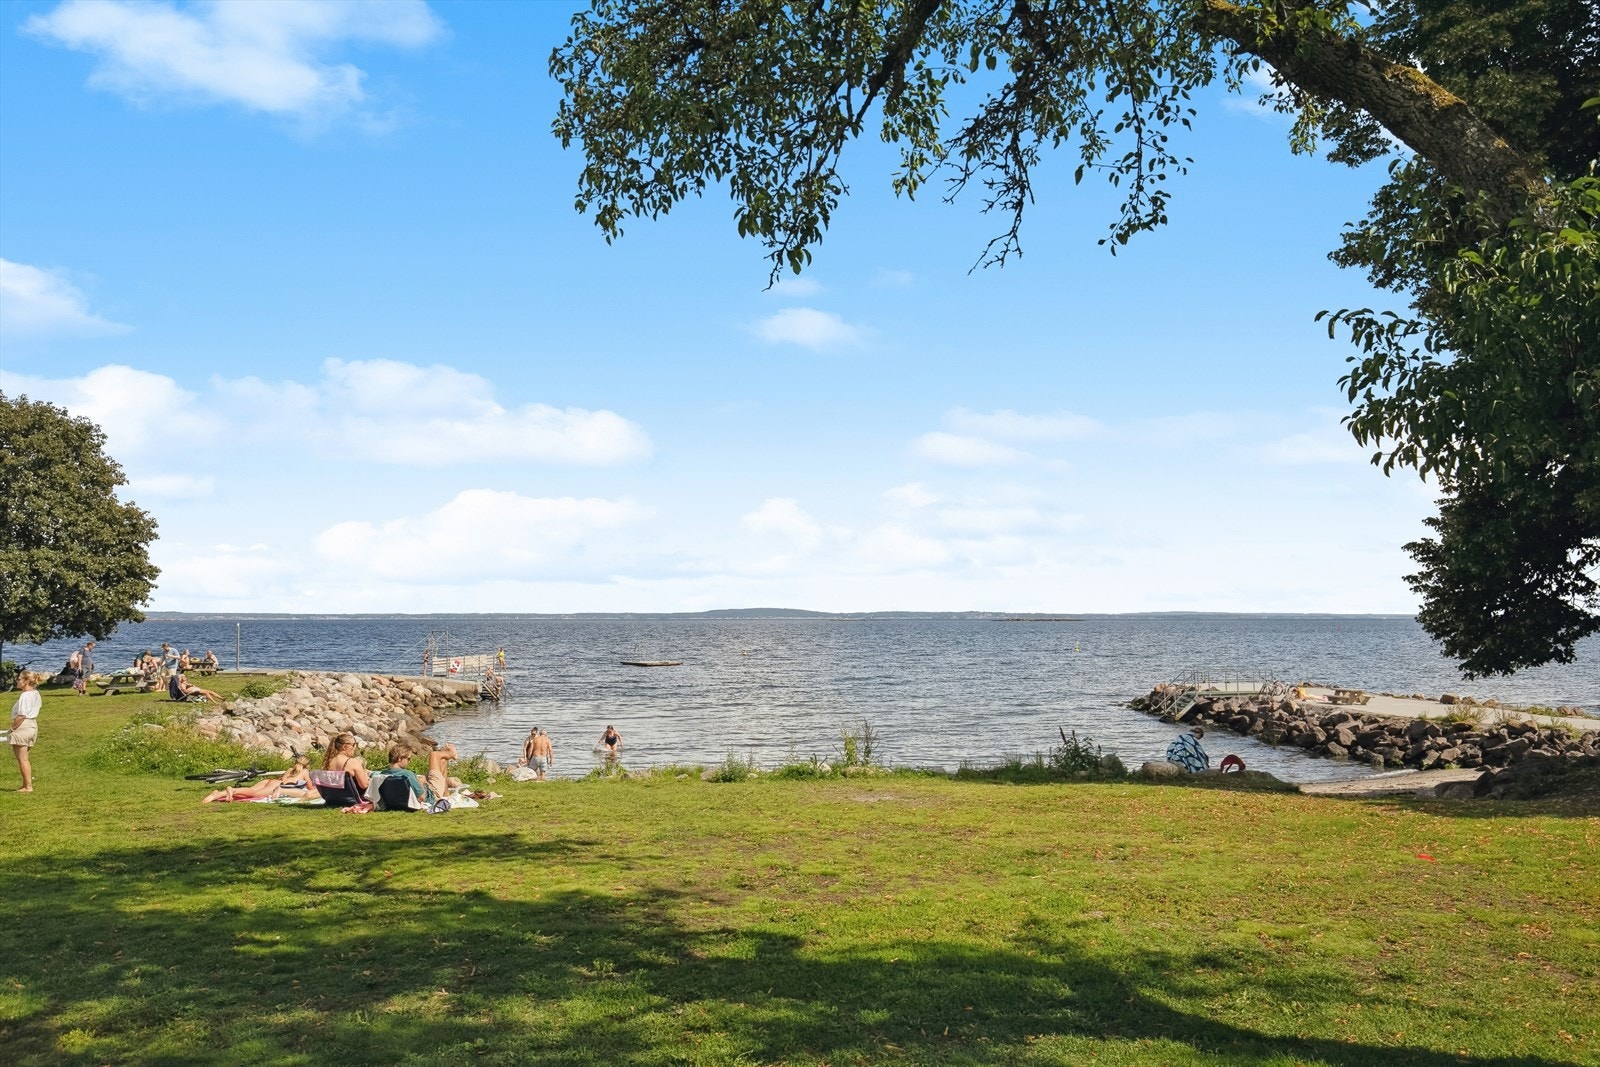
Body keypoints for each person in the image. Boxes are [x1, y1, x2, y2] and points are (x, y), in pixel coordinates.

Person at [202, 758, 317, 803]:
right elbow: (311, 788)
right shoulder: (305, 772)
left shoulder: (289, 769)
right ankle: (232, 790)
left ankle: (218, 794)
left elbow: (282, 778)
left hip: (270, 781)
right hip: (277, 785)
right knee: (255, 794)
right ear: (308, 766)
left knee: (249, 790)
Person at [10, 671, 41, 792]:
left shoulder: (25, 695)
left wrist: (12, 728)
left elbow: (21, 715)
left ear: (26, 681)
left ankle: (28, 786)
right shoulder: (36, 693)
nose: (18, 681)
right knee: (24, 758)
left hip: (23, 726)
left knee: (22, 759)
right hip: (33, 725)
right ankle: (25, 784)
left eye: (19, 679)